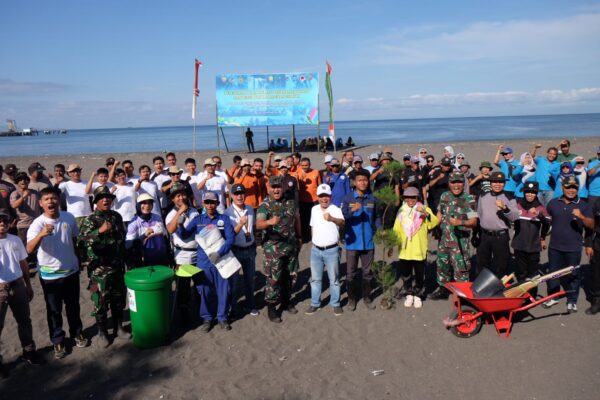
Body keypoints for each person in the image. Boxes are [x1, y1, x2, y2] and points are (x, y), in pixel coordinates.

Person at [26, 187, 87, 359]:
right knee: (54, 310)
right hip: (50, 275)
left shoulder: (68, 217)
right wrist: (41, 234)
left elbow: (74, 239)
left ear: (59, 200)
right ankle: (58, 340)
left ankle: (77, 333)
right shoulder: (37, 223)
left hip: (71, 271)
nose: (51, 201)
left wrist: (78, 259)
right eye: (47, 199)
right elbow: (29, 249)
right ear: (41, 203)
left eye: (54, 198)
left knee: (73, 305)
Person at [78, 186, 129, 347]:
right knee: (99, 302)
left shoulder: (116, 216)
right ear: (96, 201)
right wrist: (99, 231)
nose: (106, 199)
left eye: (108, 197)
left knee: (119, 299)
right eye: (102, 197)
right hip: (98, 270)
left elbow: (122, 237)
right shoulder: (90, 220)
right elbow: (81, 241)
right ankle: (102, 332)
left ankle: (119, 328)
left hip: (117, 266)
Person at [179, 191, 235, 332]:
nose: (210, 205)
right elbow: (184, 235)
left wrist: (219, 253)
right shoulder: (198, 220)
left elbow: (230, 239)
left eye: (213, 202)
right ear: (203, 203)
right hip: (204, 262)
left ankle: (222, 318)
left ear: (217, 203)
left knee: (223, 290)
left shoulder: (224, 219)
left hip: (221, 260)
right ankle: (207, 318)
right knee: (204, 290)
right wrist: (180, 225)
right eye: (207, 202)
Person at [0, 210, 44, 377]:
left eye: (5, 220)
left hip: (17, 285)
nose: (2, 223)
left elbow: (23, 263)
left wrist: (28, 285)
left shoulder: (15, 240)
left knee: (24, 320)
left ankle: (29, 351)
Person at [543, 176, 594, 313]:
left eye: (574, 187)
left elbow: (592, 225)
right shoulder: (553, 203)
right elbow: (546, 221)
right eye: (568, 187)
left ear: (578, 189)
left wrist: (582, 217)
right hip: (555, 246)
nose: (571, 190)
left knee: (573, 275)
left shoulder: (584, 205)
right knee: (553, 274)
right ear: (562, 188)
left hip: (573, 247)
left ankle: (572, 300)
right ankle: (553, 296)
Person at [256, 176, 302, 323]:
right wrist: (270, 221)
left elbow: (297, 218)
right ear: (269, 188)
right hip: (273, 248)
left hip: (290, 245)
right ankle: (271, 308)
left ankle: (286, 302)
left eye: (278, 187)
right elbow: (258, 224)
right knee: (274, 279)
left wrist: (299, 237)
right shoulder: (265, 204)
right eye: (273, 187)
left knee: (290, 276)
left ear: (283, 187)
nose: (276, 190)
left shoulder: (290, 202)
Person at [428, 172, 478, 300]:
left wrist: (460, 222)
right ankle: (443, 289)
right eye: (453, 182)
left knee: (461, 268)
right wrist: (430, 225)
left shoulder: (469, 199)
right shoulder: (445, 196)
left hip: (460, 242)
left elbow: (473, 222)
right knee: (442, 265)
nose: (456, 185)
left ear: (463, 183)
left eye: (459, 182)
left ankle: (462, 293)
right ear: (449, 183)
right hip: (444, 239)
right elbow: (440, 214)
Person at [392, 187, 439, 308]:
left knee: (419, 274)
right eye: (408, 197)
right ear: (405, 198)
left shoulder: (424, 209)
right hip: (405, 248)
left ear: (417, 197)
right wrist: (392, 242)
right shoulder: (401, 210)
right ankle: (409, 293)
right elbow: (396, 229)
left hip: (419, 248)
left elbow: (434, 223)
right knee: (406, 273)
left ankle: (418, 295)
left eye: (413, 197)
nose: (411, 199)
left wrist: (427, 214)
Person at [305, 184, 345, 316]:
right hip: (316, 250)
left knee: (333, 279)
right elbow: (312, 226)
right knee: (316, 279)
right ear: (317, 197)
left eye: (326, 196)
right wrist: (314, 242)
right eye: (321, 196)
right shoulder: (314, 209)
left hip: (331, 250)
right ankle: (315, 303)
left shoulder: (335, 209)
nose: (324, 199)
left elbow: (342, 223)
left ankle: (336, 303)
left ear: (330, 196)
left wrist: (332, 219)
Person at [341, 171, 377, 310]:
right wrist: (352, 211)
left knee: (367, 273)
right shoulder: (348, 198)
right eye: (360, 180)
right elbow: (343, 218)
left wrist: (380, 230)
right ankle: (352, 299)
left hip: (368, 242)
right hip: (352, 243)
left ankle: (367, 297)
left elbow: (376, 218)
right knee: (351, 273)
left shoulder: (371, 198)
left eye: (365, 180)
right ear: (354, 182)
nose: (363, 182)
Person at [165, 182, 199, 323]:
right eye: (177, 196)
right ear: (172, 199)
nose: (181, 198)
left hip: (197, 254)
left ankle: (198, 311)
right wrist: (180, 212)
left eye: (183, 194)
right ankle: (184, 316)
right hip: (182, 256)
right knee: (183, 288)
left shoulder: (194, 211)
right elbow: (170, 229)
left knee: (199, 286)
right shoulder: (171, 214)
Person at [476, 171, 519, 278]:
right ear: (490, 183)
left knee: (501, 265)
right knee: (482, 263)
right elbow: (479, 214)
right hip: (484, 235)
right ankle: (482, 288)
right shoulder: (483, 195)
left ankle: (499, 288)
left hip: (501, 236)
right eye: (495, 182)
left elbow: (515, 216)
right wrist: (475, 233)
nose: (497, 184)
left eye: (500, 182)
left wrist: (505, 208)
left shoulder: (510, 197)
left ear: (504, 184)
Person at [511, 182, 550, 297]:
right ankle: (521, 295)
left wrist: (539, 215)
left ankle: (532, 295)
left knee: (533, 273)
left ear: (536, 194)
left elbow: (547, 225)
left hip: (533, 246)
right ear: (524, 193)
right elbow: (510, 218)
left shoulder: (541, 208)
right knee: (521, 272)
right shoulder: (518, 206)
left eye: (532, 193)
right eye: (527, 192)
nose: (530, 195)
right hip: (519, 244)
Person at [224, 184, 258, 317]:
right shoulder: (228, 213)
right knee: (233, 281)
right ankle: (233, 308)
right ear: (231, 196)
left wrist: (254, 242)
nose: (239, 196)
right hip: (235, 251)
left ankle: (250, 305)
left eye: (242, 193)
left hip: (250, 249)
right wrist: (240, 224)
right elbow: (229, 235)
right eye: (236, 194)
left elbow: (253, 227)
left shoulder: (250, 209)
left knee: (250, 280)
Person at [126, 194, 171, 267]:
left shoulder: (157, 217)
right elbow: (128, 245)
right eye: (144, 203)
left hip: (161, 258)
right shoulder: (134, 223)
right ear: (138, 205)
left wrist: (169, 255)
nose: (147, 206)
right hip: (144, 262)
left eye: (149, 203)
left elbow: (165, 237)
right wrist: (144, 235)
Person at [10, 173, 42, 272]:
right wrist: (23, 197)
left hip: (36, 224)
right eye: (20, 180)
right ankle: (25, 268)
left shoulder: (35, 193)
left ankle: (39, 264)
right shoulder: (15, 194)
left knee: (39, 245)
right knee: (23, 249)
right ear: (17, 182)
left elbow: (41, 206)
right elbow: (14, 205)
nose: (23, 181)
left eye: (25, 179)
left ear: (28, 181)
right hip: (23, 225)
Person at [296, 157, 322, 243]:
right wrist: (300, 180)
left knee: (315, 219)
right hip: (302, 200)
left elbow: (319, 185)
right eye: (302, 165)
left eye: (306, 165)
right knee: (304, 219)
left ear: (310, 165)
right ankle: (306, 237)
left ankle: (316, 236)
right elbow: (296, 187)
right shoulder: (298, 172)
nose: (304, 167)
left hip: (314, 200)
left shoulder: (316, 172)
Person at [59, 164, 92, 229]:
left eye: (78, 171)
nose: (76, 173)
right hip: (72, 217)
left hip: (87, 217)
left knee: (88, 238)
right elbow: (56, 192)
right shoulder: (65, 184)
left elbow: (94, 196)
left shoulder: (87, 183)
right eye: (73, 172)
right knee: (74, 238)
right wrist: (57, 183)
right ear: (68, 173)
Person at [584, 196, 600, 314]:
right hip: (598, 244)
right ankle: (596, 301)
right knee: (597, 275)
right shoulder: (597, 202)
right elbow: (590, 225)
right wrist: (588, 244)